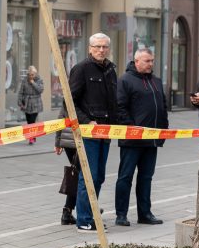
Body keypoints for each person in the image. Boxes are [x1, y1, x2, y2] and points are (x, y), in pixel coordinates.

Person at [69, 32, 118, 232]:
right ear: (90, 48)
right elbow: (70, 101)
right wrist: (87, 121)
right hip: (89, 131)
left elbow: (113, 102)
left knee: (99, 177)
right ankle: (84, 219)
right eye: (97, 46)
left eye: (104, 47)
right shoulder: (81, 69)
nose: (101, 50)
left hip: (106, 131)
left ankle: (92, 214)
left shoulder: (110, 70)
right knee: (89, 175)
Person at [114, 48, 167, 227]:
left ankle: (145, 213)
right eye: (147, 61)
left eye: (152, 61)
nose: (151, 64)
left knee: (146, 177)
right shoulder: (125, 80)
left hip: (152, 140)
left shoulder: (156, 81)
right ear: (136, 61)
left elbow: (163, 106)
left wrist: (163, 130)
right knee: (125, 177)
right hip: (132, 139)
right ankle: (121, 214)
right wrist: (132, 128)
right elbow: (120, 107)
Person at [54, 107, 77, 225]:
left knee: (78, 174)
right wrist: (58, 142)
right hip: (73, 139)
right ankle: (68, 211)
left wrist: (58, 142)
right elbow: (62, 116)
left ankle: (68, 211)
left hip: (70, 138)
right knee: (79, 175)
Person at [17, 65, 44, 144]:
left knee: (32, 120)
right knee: (29, 121)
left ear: (35, 74)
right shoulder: (24, 81)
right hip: (27, 103)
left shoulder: (39, 80)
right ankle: (32, 136)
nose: (31, 76)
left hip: (36, 103)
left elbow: (40, 90)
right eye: (29, 75)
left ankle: (31, 138)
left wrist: (33, 83)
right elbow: (21, 92)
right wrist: (19, 102)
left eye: (32, 75)